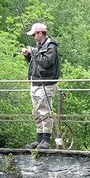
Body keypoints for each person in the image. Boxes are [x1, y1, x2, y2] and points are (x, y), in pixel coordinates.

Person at [22, 22, 60, 150]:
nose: (33, 37)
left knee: (45, 111)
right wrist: (28, 56)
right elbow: (35, 64)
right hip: (35, 83)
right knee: (36, 112)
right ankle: (39, 140)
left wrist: (33, 53)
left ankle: (46, 140)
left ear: (40, 33)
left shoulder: (51, 47)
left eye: (34, 34)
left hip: (47, 83)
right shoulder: (38, 46)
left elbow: (46, 62)